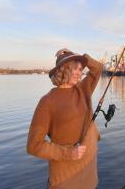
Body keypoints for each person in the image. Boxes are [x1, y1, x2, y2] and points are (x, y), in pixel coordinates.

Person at [27, 48, 103, 189]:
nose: (80, 73)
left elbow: (98, 69)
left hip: (90, 167)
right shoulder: (47, 101)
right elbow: (34, 145)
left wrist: (78, 55)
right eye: (75, 68)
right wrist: (68, 153)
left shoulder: (83, 89)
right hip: (66, 176)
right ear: (64, 69)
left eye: (81, 69)